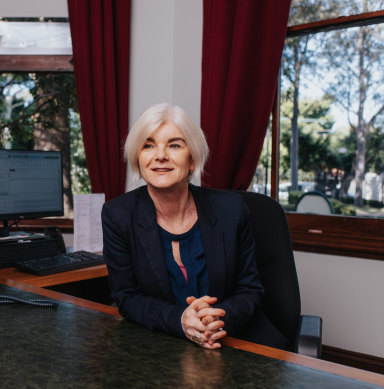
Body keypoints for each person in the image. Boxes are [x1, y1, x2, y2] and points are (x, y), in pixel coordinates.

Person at [101, 103, 287, 349]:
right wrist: (181, 320)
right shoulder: (118, 215)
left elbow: (250, 290)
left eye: (174, 145)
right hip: (163, 342)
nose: (160, 155)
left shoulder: (232, 209)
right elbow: (127, 298)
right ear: (138, 156)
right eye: (148, 145)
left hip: (235, 338)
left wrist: (214, 320)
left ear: (192, 158)